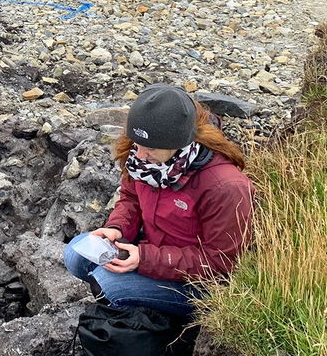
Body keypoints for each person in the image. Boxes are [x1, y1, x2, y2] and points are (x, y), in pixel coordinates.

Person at [64, 84, 253, 318]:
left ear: (178, 143)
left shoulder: (225, 187)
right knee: (75, 253)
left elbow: (221, 262)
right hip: (151, 251)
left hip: (197, 284)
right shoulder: (142, 161)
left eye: (150, 148)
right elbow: (131, 198)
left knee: (108, 284)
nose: (140, 155)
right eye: (137, 143)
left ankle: (162, 324)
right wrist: (117, 229)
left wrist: (145, 259)